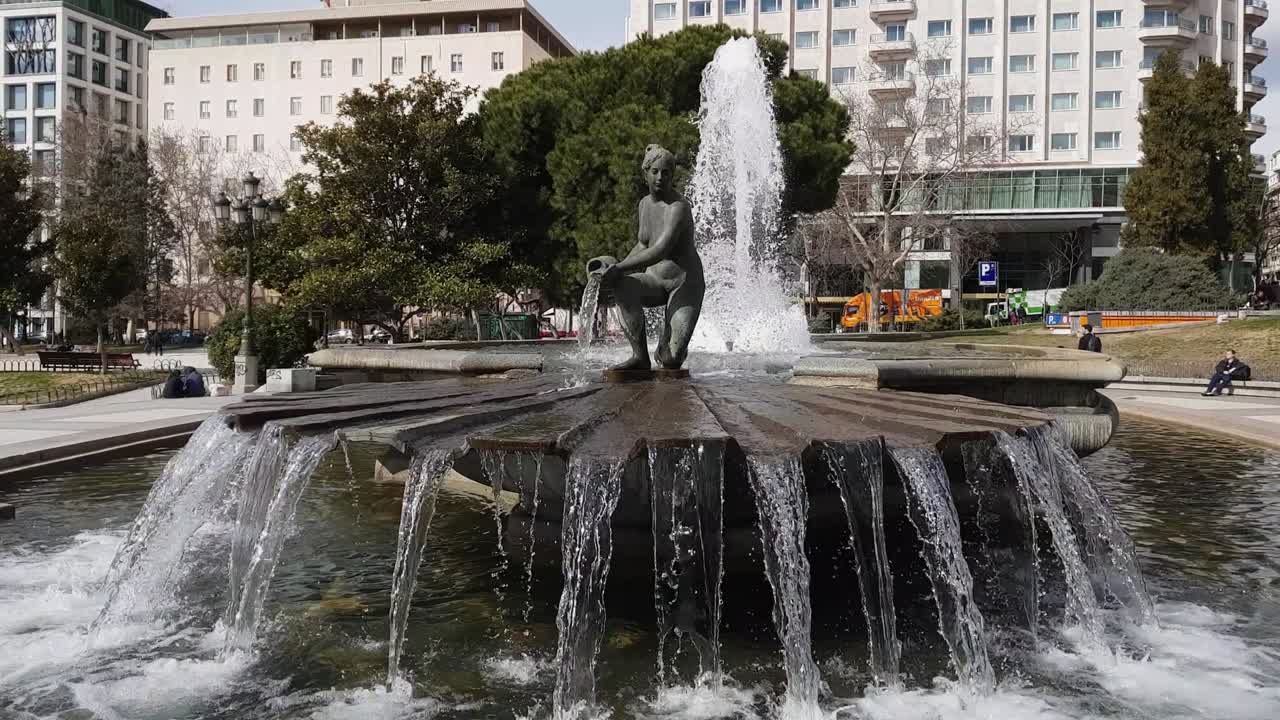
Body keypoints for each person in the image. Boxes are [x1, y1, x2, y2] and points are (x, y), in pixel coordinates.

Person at [590, 144, 705, 371]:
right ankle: (639, 357)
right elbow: (643, 244)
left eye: (666, 172)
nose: (660, 177)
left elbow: (660, 250)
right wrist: (612, 272)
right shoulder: (643, 204)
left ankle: (671, 342)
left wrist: (620, 267)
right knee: (623, 286)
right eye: (655, 171)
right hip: (654, 280)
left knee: (671, 360)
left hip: (684, 284)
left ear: (672, 175)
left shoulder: (678, 207)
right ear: (646, 173)